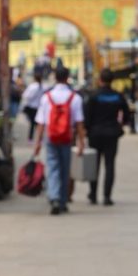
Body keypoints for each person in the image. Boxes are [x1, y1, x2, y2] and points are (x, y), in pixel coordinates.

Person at [33, 66, 86, 216]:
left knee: (52, 168)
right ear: (67, 77)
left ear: (55, 77)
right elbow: (79, 122)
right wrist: (81, 142)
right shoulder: (75, 98)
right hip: (67, 138)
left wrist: (37, 143)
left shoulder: (46, 97)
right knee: (65, 169)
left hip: (51, 137)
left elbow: (41, 123)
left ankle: (54, 198)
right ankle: (63, 201)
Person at [84, 68, 130, 206]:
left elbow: (87, 116)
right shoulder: (117, 96)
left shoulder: (93, 96)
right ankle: (107, 197)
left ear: (100, 80)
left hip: (95, 134)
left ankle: (93, 195)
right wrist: (120, 125)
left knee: (94, 165)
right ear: (112, 80)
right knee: (110, 165)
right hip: (112, 134)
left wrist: (87, 130)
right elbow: (127, 113)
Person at [21, 73, 44, 142]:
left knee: (32, 123)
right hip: (38, 107)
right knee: (36, 123)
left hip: (31, 107)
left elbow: (26, 95)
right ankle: (39, 137)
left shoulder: (33, 86)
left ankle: (31, 138)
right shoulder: (41, 86)